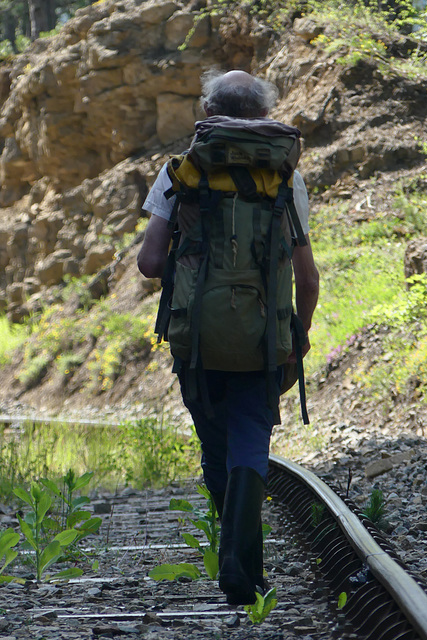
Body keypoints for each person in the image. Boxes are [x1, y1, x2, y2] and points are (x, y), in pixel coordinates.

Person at [137, 69, 319, 605]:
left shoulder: (181, 171)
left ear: (209, 110)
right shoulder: (286, 178)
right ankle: (244, 565)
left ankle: (233, 551)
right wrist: (298, 334)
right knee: (249, 438)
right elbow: (307, 278)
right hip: (265, 336)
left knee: (214, 446)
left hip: (196, 336)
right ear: (264, 114)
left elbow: (149, 264)